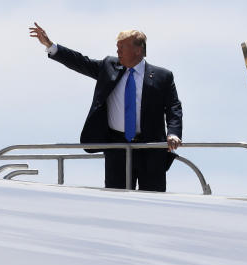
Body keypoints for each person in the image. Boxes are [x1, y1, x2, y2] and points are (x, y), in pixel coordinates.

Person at [29, 23, 182, 192]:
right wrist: (50, 45)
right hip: (117, 146)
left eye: (122, 47)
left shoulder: (163, 76)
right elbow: (81, 62)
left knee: (154, 200)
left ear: (138, 50)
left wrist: (173, 133)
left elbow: (173, 107)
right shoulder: (109, 66)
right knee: (117, 199)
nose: (118, 52)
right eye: (117, 47)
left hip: (150, 147)